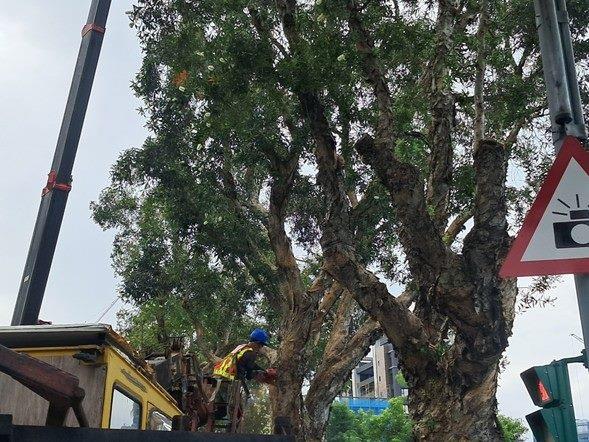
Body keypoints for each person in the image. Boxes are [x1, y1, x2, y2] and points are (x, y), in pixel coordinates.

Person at [210, 328, 273, 420]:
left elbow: (247, 364)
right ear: (257, 343)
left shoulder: (242, 348)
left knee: (221, 409)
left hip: (217, 377)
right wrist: (248, 393)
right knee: (234, 410)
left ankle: (209, 419)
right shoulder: (251, 354)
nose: (261, 348)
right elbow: (245, 374)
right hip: (226, 380)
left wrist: (262, 370)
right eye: (261, 345)